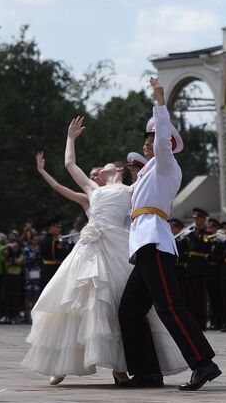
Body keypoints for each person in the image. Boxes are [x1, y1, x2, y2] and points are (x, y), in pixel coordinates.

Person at [23, 117, 186, 385]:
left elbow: (156, 187)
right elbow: (69, 164)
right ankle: (61, 363)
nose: (101, 168)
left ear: (120, 171)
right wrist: (70, 137)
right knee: (72, 300)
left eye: (108, 165)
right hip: (87, 248)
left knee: (113, 304)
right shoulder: (92, 189)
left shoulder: (133, 189)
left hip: (115, 247)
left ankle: (119, 367)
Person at [115, 78, 220, 391]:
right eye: (146, 137)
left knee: (169, 307)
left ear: (167, 143)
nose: (149, 141)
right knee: (130, 311)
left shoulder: (166, 166)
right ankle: (147, 372)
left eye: (154, 136)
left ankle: (203, 363)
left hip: (155, 243)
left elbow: (162, 139)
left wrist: (159, 100)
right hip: (143, 244)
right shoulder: (148, 173)